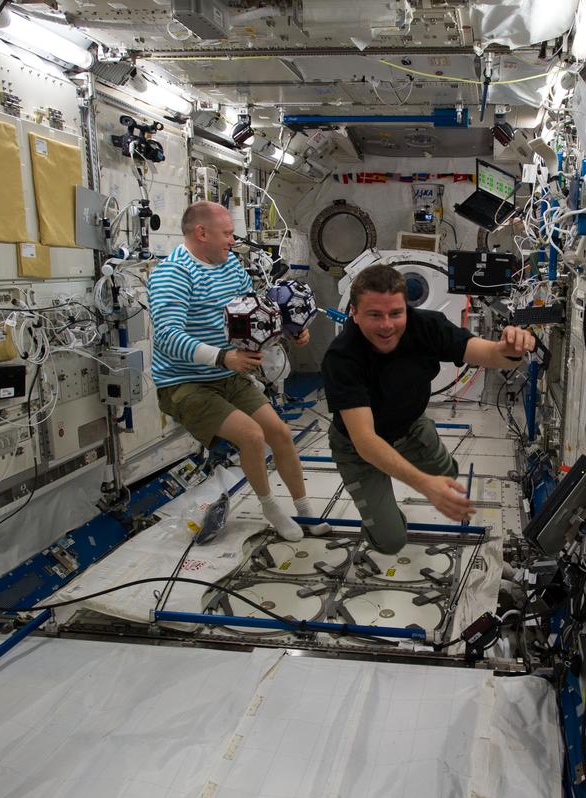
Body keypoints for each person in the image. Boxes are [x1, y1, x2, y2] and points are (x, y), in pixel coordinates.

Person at [321, 264, 536, 554]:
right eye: (375, 315)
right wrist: (425, 485)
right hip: (358, 450)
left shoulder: (426, 326)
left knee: (447, 474)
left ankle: (417, 459)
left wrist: (510, 348)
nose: (387, 325)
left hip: (409, 428)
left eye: (396, 313)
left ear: (406, 309)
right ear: (354, 314)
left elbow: (488, 353)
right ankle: (378, 518)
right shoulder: (342, 357)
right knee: (391, 542)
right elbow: (366, 442)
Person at [149, 201, 328, 542]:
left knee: (280, 433)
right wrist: (224, 358)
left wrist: (289, 329)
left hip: (226, 373)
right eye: (227, 234)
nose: (233, 241)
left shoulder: (229, 265)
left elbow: (256, 313)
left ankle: (305, 510)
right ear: (202, 233)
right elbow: (168, 337)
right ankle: (270, 508)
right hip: (185, 383)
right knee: (251, 436)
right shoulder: (172, 274)